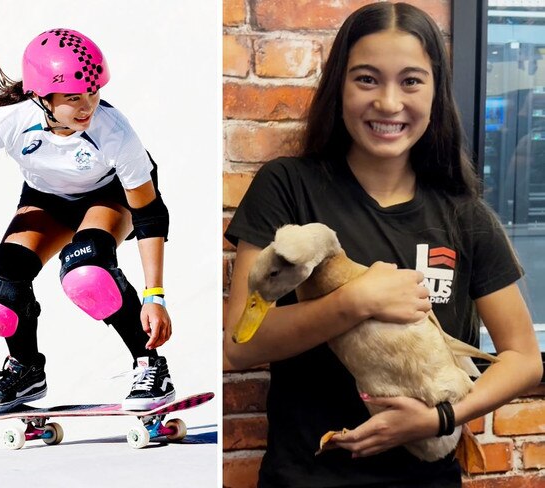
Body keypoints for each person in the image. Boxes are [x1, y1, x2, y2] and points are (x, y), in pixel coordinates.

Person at [224, 3, 542, 487]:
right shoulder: (288, 187)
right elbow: (239, 347)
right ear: (339, 87)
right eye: (367, 79)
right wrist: (357, 300)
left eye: (411, 81)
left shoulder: (463, 212)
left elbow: (523, 357)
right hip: (306, 478)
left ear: (436, 92)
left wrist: (440, 418)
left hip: (426, 478)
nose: (390, 103)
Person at [0, 28, 176, 413]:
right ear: (40, 96)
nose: (87, 106)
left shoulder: (114, 132)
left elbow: (148, 214)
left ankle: (150, 365)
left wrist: (155, 296)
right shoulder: (7, 122)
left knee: (86, 274)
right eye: (73, 97)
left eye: (93, 93)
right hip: (46, 202)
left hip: (110, 197)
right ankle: (26, 370)